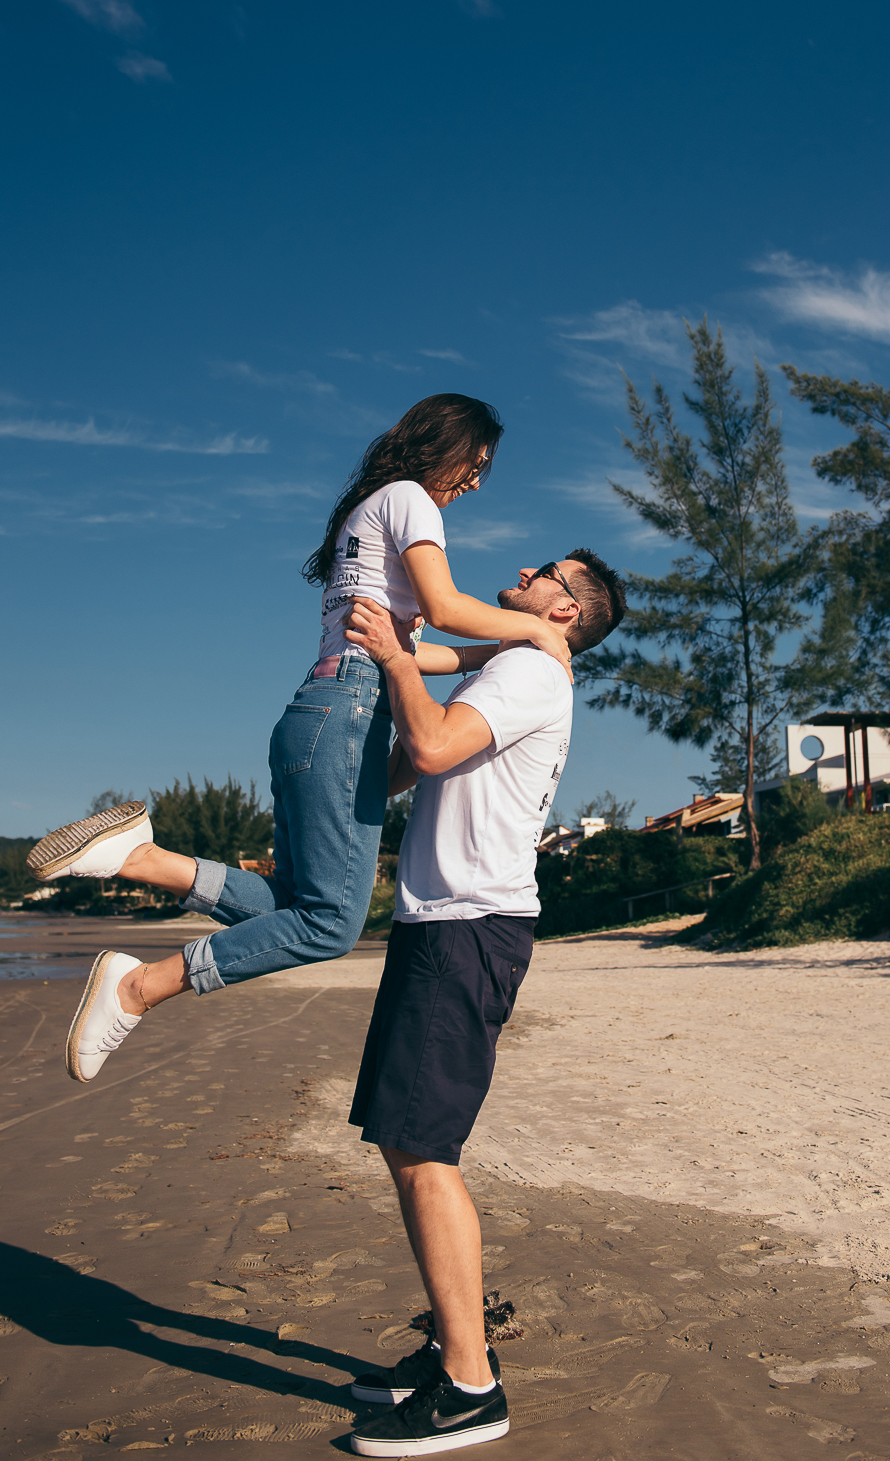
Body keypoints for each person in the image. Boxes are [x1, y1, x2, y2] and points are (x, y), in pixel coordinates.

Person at [24, 395, 575, 1083]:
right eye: (476, 463)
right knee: (329, 926)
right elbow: (442, 610)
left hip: (321, 710)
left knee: (296, 904)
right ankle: (138, 987)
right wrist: (537, 631)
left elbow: (417, 644)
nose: (473, 481)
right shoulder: (411, 500)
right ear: (447, 443)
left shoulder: (371, 506)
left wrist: (482, 655)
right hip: (346, 714)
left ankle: (141, 858)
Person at [338, 550, 626, 1457]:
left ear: (568, 611)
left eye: (548, 571)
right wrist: (392, 637)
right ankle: (452, 1344)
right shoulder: (511, 658)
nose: (527, 568)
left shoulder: (534, 669)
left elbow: (426, 748)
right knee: (403, 1140)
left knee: (426, 1150)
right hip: (442, 924)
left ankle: (470, 1387)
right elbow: (427, 674)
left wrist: (392, 655)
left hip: (469, 929)